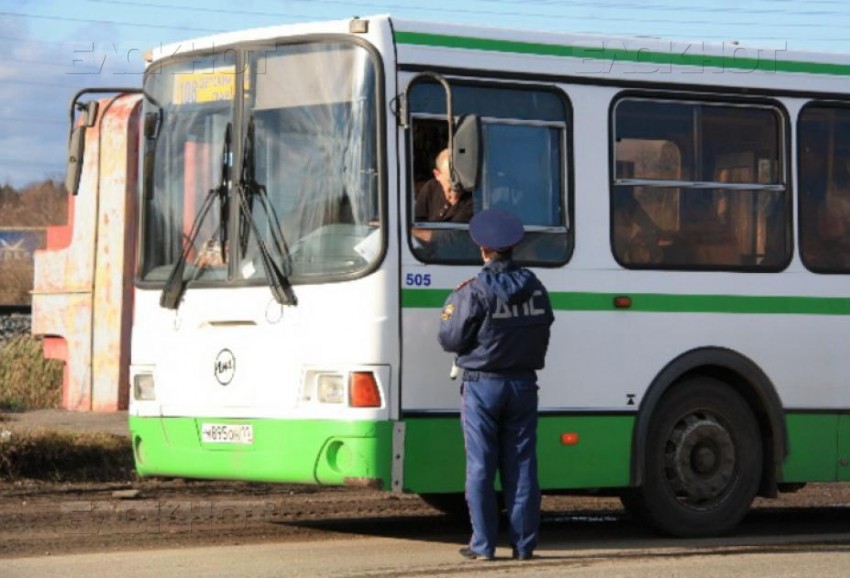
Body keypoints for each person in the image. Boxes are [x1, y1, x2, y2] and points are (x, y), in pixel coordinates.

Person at [437, 209, 554, 561]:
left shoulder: (473, 291)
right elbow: (545, 327)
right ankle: (523, 546)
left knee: (481, 465)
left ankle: (484, 546)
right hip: (523, 385)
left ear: (484, 249)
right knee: (522, 465)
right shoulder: (535, 287)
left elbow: (450, 338)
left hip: (482, 386)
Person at [414, 148, 474, 225]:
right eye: (450, 180)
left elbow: (454, 233)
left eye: (460, 179)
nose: (456, 185)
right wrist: (446, 206)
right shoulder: (430, 188)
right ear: (437, 175)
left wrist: (455, 203)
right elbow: (417, 224)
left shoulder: (471, 195)